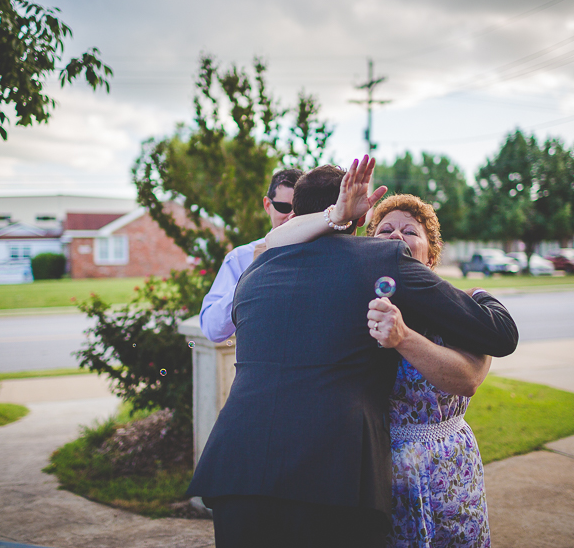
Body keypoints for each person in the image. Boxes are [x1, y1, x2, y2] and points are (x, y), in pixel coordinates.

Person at [188, 157, 518, 548]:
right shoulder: (379, 260)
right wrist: (478, 294)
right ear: (361, 219)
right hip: (333, 478)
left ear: (296, 213)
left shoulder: (252, 275)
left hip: (237, 469)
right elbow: (500, 335)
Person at [267, 174, 495, 546]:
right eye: (385, 230)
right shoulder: (353, 305)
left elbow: (469, 378)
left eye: (410, 231)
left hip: (448, 466)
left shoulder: (455, 304)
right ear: (369, 249)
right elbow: (273, 242)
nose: (395, 236)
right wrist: (336, 215)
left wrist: (403, 338)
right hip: (376, 467)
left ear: (431, 254)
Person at [199, 168, 303, 343]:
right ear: (267, 205)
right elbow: (213, 330)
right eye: (284, 207)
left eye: (299, 209)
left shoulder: (323, 253)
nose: (291, 216)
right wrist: (251, 277)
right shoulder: (240, 258)